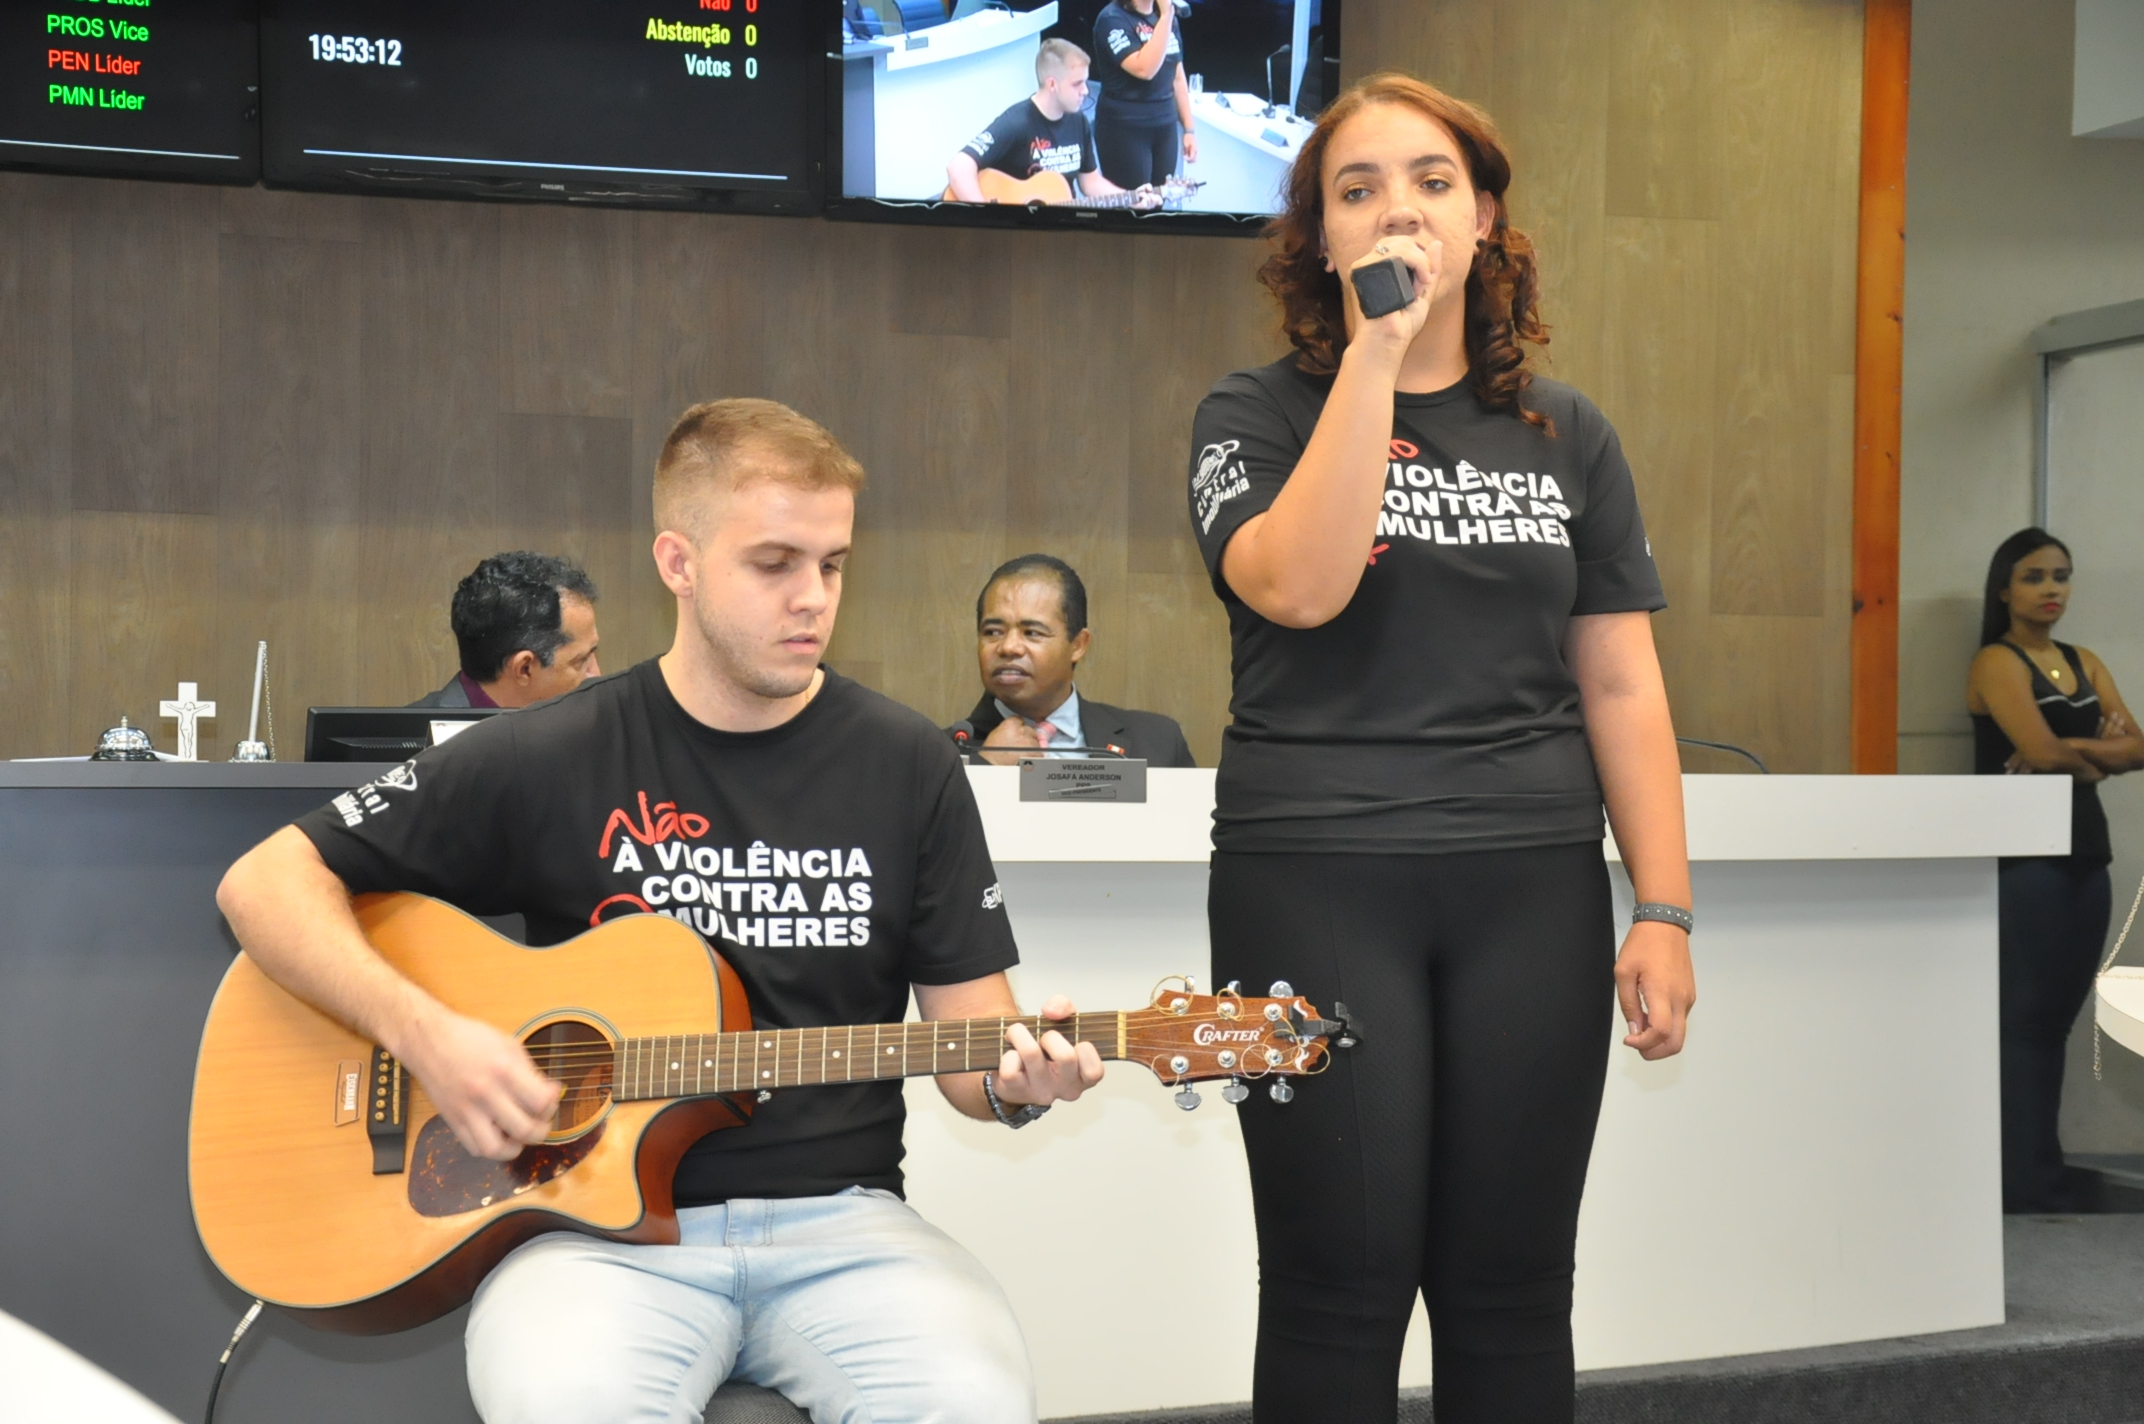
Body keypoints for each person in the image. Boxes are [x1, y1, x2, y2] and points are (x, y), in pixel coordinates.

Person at [216, 399, 1105, 1424]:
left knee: (975, 1403)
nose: (812, 597)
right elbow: (263, 883)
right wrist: (429, 1036)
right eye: (773, 561)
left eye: (832, 562)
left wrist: (1018, 1084)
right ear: (677, 561)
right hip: (590, 1240)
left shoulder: (908, 763)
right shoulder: (550, 749)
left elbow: (969, 1054)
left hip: (846, 1233)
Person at [1184, 74, 1695, 1423]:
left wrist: (1664, 906)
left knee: (1514, 1283)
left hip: (1529, 881)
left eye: (1429, 180)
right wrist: (1373, 357)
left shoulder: (1566, 433)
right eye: (1357, 190)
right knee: (1337, 1279)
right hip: (1313, 877)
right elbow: (1298, 586)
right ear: (1319, 239)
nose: (1397, 207)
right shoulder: (1252, 413)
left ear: (1483, 221)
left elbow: (1623, 683)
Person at [1967, 527, 2144, 1213]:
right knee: (2025, 1019)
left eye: (2062, 577)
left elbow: (2137, 748)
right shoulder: (1996, 660)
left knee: (2055, 1022)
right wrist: (2086, 747)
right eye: (2036, 577)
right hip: (2025, 858)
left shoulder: (2084, 660)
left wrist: (2076, 750)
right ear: (2004, 588)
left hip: (2085, 852)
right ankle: (2024, 1182)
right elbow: (2038, 752)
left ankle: (2040, 1171)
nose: (2052, 591)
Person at [958, 553, 1197, 766]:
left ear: (1078, 645)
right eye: (992, 632)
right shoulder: (940, 754)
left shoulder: (1157, 741)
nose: (1008, 647)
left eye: (1031, 633)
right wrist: (986, 765)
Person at [946, 40, 1145, 205]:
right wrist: (987, 217)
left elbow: (1090, 182)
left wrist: (1131, 197)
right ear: (1052, 84)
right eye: (1077, 83)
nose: (1085, 90)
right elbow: (958, 167)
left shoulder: (1079, 121)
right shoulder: (1017, 122)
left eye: (1086, 82)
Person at [409, 552, 603, 709]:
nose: (596, 675)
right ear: (524, 669)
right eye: (581, 661)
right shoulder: (417, 751)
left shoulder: (595, 737)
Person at [1089, 0, 1196, 190]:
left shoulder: (1166, 17)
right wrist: (1165, 18)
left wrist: (1189, 130)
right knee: (1132, 204)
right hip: (1126, 127)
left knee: (1158, 201)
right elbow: (1144, 69)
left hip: (1164, 125)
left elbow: (1178, 77)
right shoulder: (1112, 19)